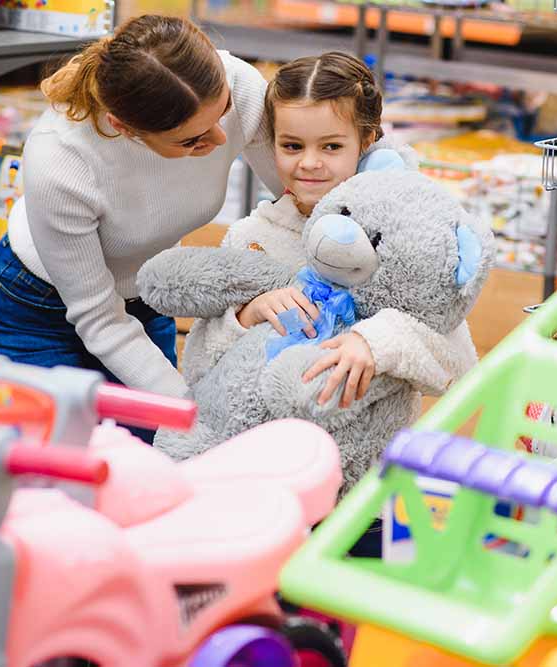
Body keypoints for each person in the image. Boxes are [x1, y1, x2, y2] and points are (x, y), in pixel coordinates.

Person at [178, 52, 480, 556]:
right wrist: (244, 317)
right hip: (264, 484)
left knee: (355, 612)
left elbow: (459, 366)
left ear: (368, 142)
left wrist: (376, 341)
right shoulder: (250, 238)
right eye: (291, 145)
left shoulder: (406, 239)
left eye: (331, 146)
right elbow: (201, 370)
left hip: (365, 490)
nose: (309, 163)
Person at [0, 15, 281, 443]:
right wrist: (195, 415)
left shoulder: (240, 87)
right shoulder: (62, 160)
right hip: (38, 310)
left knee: (151, 459)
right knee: (47, 471)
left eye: (223, 111)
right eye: (191, 141)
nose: (217, 137)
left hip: (146, 295)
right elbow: (100, 320)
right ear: (124, 127)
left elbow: (298, 196)